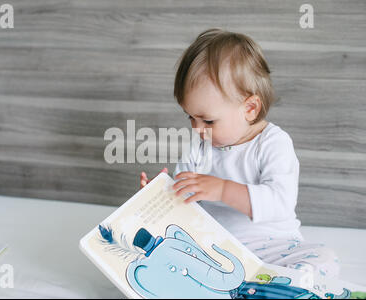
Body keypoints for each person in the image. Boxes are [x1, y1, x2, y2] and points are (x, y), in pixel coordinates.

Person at [140, 29, 339, 279]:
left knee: (324, 259)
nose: (197, 128)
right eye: (190, 117)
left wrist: (223, 189)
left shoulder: (273, 143)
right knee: (160, 256)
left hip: (273, 246)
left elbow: (280, 202)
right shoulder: (200, 146)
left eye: (208, 120)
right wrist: (158, 196)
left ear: (250, 108)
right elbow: (185, 196)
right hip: (215, 246)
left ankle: (278, 285)